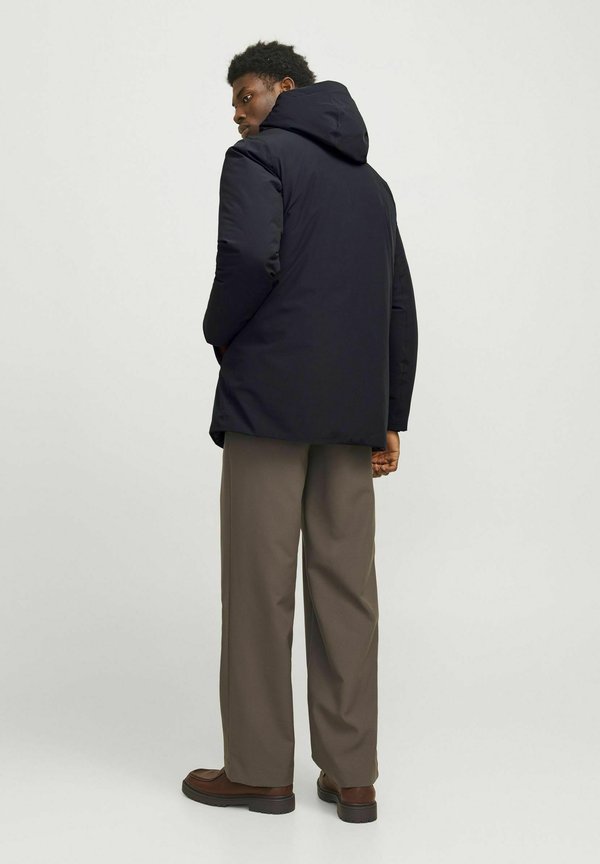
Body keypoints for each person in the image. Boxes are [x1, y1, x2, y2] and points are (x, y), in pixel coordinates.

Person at [181, 39, 418, 823]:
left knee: (260, 589)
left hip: (270, 407)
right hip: (350, 415)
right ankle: (353, 778)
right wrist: (389, 415)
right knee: (347, 590)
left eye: (246, 95)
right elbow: (398, 303)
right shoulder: (372, 185)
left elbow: (250, 256)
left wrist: (219, 333)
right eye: (234, 102)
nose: (237, 112)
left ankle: (259, 773)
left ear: (286, 87)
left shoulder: (258, 159)